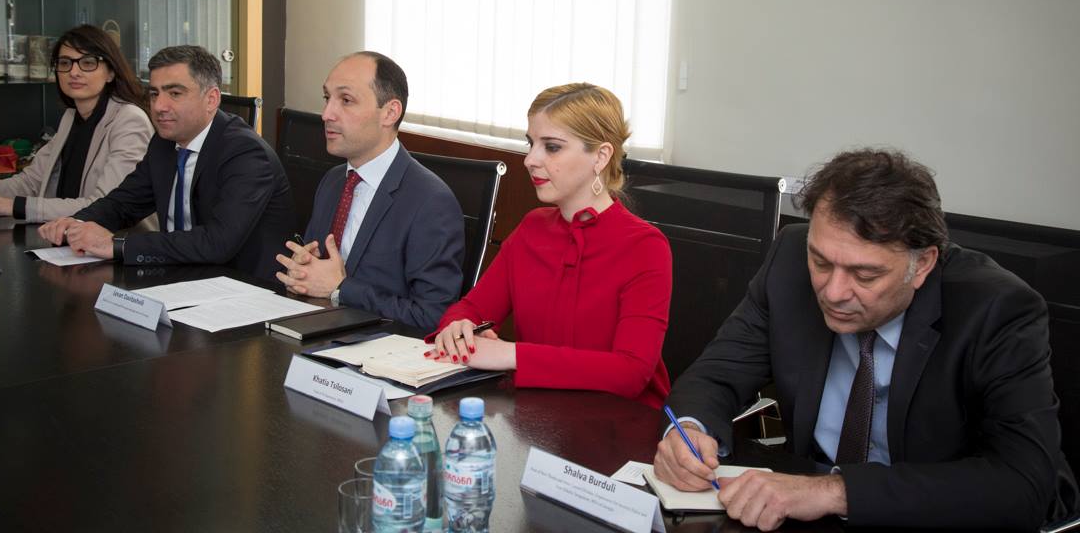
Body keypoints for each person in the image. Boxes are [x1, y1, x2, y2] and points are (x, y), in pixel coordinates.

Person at [653, 148, 1078, 531]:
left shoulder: (996, 310)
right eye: (821, 262)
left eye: (865, 274)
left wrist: (835, 491)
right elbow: (716, 373)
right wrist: (689, 431)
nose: (834, 292)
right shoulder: (789, 260)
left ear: (922, 264)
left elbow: (1022, 483)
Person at [428, 83, 672, 408]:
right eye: (531, 144)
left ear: (601, 156)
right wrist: (458, 327)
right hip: (538, 414)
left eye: (552, 147)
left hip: (618, 422)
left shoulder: (644, 246)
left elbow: (631, 372)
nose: (530, 160)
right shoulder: (533, 227)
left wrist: (511, 354)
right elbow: (471, 308)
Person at [39, 45, 294, 283]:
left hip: (242, 288)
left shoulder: (246, 154)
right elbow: (124, 203)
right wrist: (76, 224)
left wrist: (116, 245)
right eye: (154, 94)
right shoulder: (164, 143)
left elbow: (217, 243)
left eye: (175, 93)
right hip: (179, 276)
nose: (159, 106)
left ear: (211, 99)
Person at [275, 51, 464, 330]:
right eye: (327, 98)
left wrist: (341, 289)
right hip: (317, 331)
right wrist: (303, 271)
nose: (326, 114)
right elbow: (320, 274)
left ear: (389, 113)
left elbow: (433, 316)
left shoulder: (431, 202)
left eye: (346, 100)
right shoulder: (333, 181)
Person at [0, 25, 152, 222]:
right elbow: (31, 181)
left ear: (111, 73)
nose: (74, 72)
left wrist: (9, 206)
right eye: (65, 63)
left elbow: (105, 206)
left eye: (88, 63)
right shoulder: (71, 117)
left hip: (117, 241)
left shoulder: (129, 120)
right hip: (65, 236)